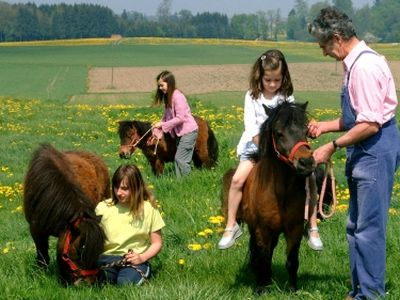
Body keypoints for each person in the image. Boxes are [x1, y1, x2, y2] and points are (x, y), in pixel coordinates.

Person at [308, 7, 400, 299]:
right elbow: (356, 118)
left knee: (369, 229)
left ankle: (371, 295)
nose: (323, 53)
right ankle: (359, 289)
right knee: (355, 226)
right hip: (364, 148)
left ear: (337, 38)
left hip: (375, 149)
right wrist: (325, 126)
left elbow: (371, 124)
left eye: (324, 46)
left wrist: (331, 146)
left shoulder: (364, 67)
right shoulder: (354, 63)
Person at [218, 49, 323, 251]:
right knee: (238, 179)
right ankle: (231, 224)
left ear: (283, 77)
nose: (273, 84)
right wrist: (266, 149)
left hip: (284, 151)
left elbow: (293, 123)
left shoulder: (287, 97)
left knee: (309, 179)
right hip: (257, 148)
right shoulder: (251, 97)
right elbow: (250, 128)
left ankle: (312, 226)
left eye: (277, 79)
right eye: (268, 80)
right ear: (260, 77)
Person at [96, 164, 165, 286]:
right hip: (106, 258)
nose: (119, 192)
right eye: (116, 187)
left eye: (125, 188)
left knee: (125, 283)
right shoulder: (102, 208)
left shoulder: (149, 209)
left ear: (136, 187)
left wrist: (142, 258)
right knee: (101, 282)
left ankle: (140, 272)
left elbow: (157, 243)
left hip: (133, 260)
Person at [152, 70, 199, 177]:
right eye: (159, 86)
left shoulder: (178, 96)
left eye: (162, 85)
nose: (160, 88)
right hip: (181, 134)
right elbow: (167, 117)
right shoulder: (169, 97)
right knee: (180, 160)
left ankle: (187, 182)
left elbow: (180, 118)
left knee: (180, 159)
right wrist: (157, 127)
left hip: (189, 132)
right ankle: (181, 183)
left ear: (169, 83)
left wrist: (163, 125)